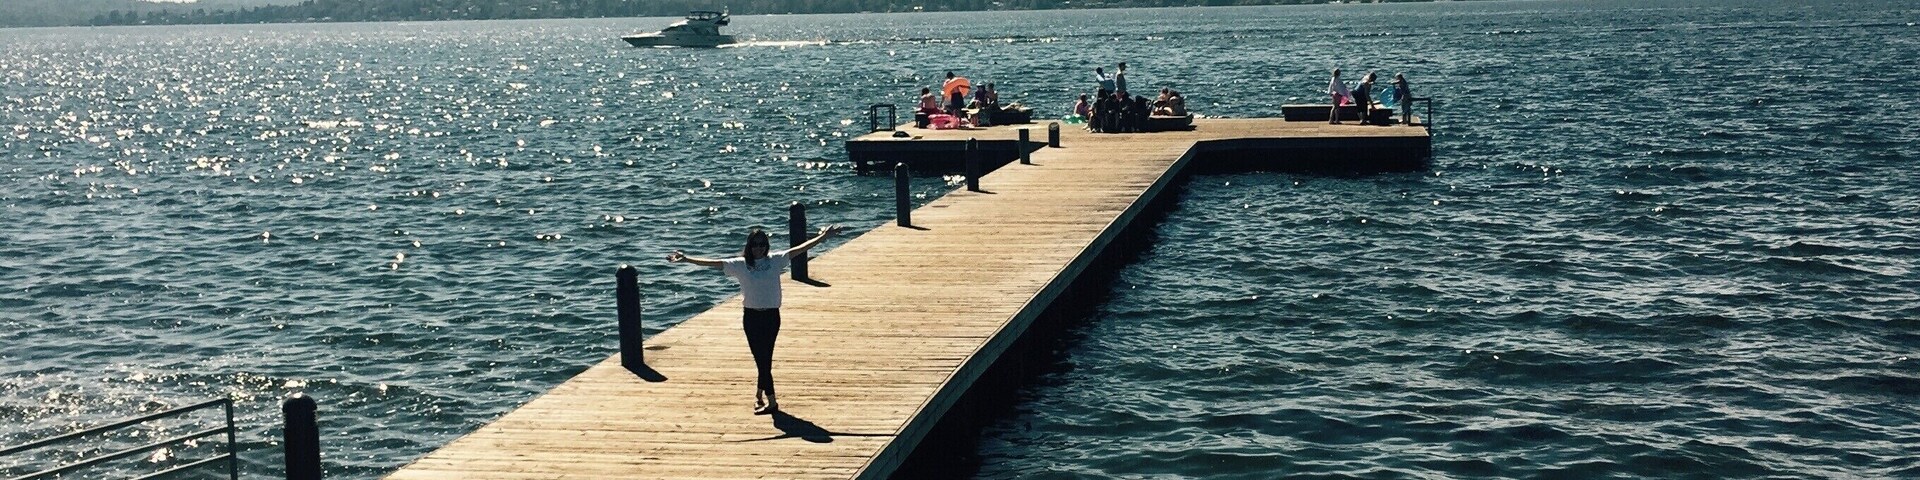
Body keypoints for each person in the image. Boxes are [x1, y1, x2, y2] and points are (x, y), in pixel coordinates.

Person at [666, 224, 845, 415]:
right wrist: (686, 259)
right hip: (751, 317)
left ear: (766, 246)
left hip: (771, 316)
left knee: (765, 358)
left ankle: (766, 398)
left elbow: (801, 248)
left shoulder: (775, 260)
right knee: (761, 359)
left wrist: (824, 237)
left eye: (762, 244)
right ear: (749, 246)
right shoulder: (741, 264)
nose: (758, 248)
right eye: (754, 245)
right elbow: (713, 263)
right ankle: (767, 398)